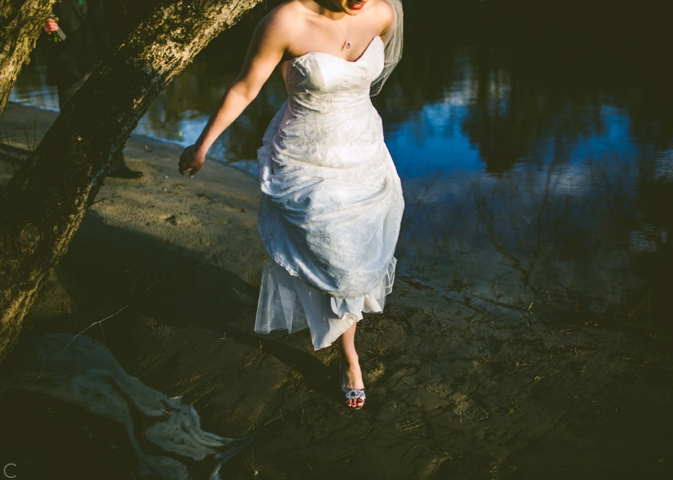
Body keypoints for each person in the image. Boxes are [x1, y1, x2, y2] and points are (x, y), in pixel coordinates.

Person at [178, 0, 404, 410]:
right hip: (306, 156)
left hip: (364, 152)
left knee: (356, 254)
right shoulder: (285, 21)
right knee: (340, 259)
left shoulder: (383, 14)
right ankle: (350, 358)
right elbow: (245, 87)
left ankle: (343, 338)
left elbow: (360, 82)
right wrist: (202, 145)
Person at [43, 0, 143, 179]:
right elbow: (43, 23)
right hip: (68, 64)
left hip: (99, 60)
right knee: (70, 120)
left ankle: (115, 165)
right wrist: (49, 28)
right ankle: (71, 167)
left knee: (109, 115)